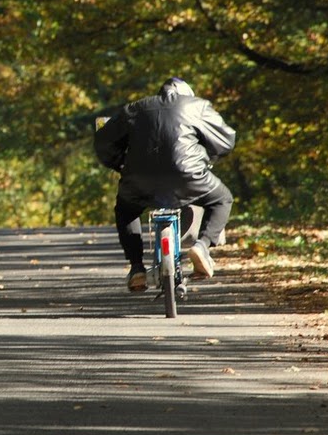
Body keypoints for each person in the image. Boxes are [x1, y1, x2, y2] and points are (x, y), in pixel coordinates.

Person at [94, 77, 236, 292]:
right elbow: (226, 140)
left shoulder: (134, 109)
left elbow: (103, 141)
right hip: (188, 176)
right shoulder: (198, 106)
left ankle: (137, 268)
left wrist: (119, 164)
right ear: (186, 94)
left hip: (138, 179)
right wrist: (207, 157)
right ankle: (202, 246)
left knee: (126, 210)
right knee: (223, 198)